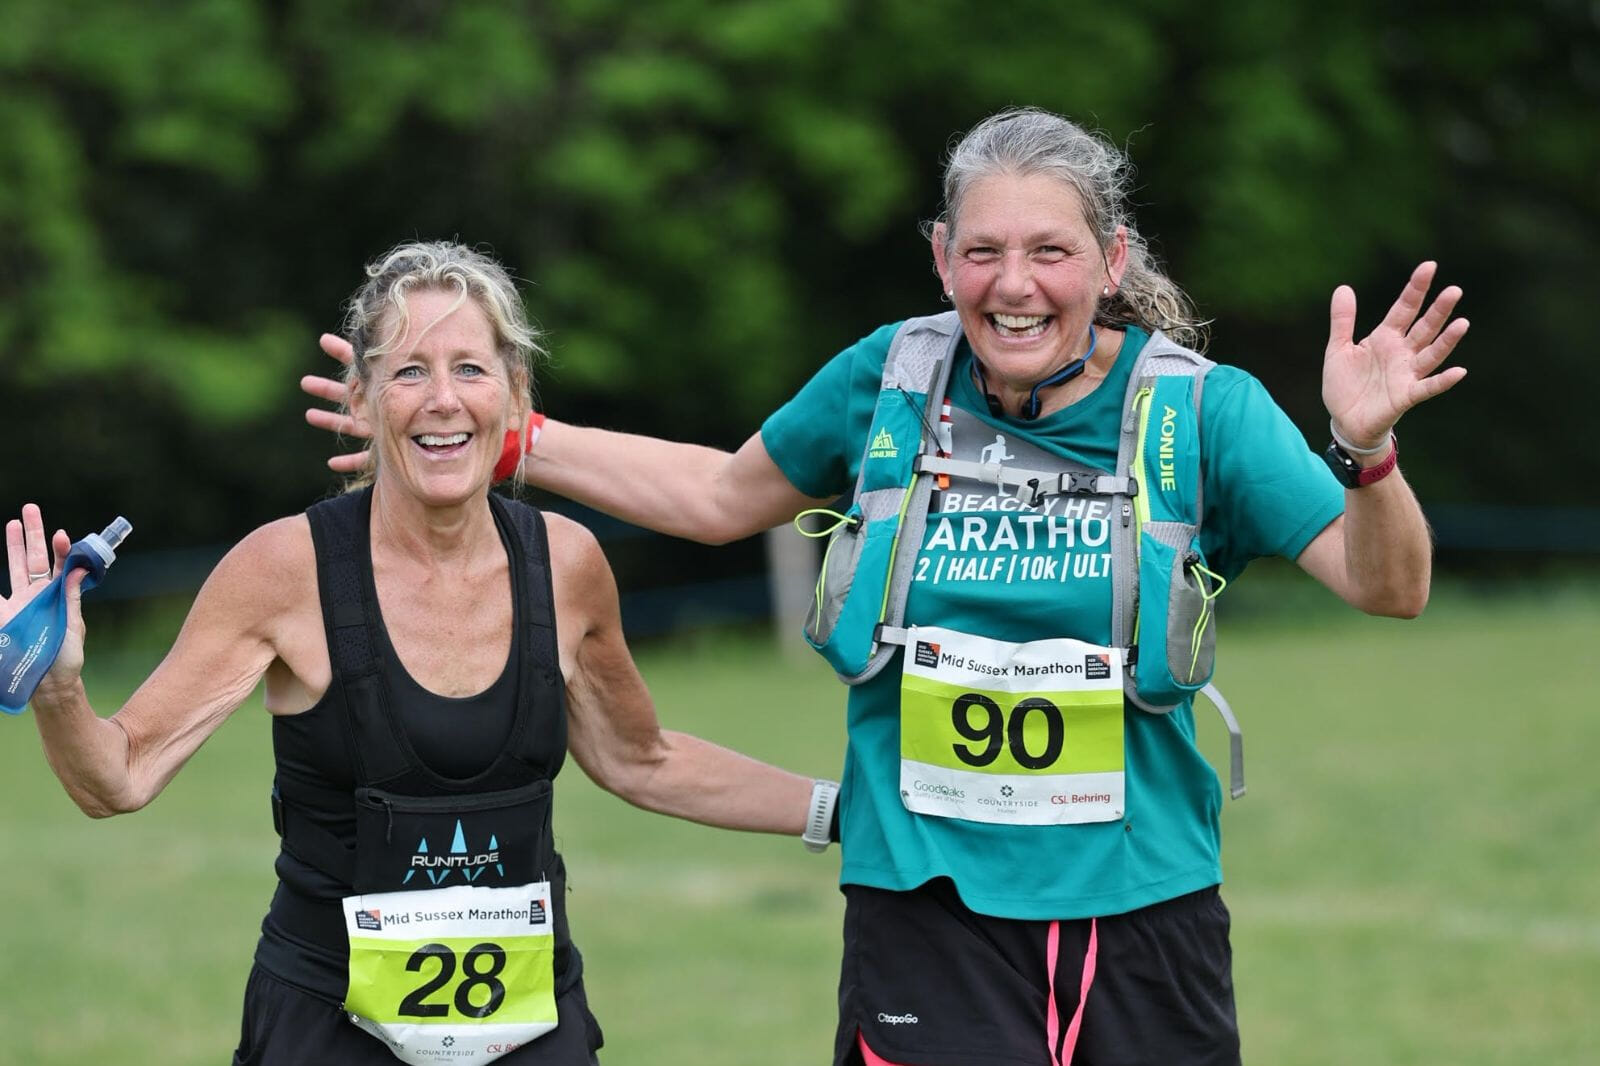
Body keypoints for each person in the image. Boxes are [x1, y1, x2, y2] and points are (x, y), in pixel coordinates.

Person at [306, 111, 1468, 1066]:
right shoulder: (892, 375)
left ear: (1111, 262)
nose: (1013, 285)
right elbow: (720, 496)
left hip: (1143, 905)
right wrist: (497, 431)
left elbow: (1387, 586)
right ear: (940, 256)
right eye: (982, 252)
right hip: (926, 907)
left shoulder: (1200, 409)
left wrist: (1365, 453)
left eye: (1049, 252)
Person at [3, 240, 830, 1066]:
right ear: (359, 401)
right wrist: (58, 689)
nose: (442, 401)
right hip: (325, 1030)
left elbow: (640, 758)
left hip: (533, 1032)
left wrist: (844, 809)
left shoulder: (568, 564)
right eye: (408, 373)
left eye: (470, 369)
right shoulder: (282, 570)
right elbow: (118, 777)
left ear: (515, 397)